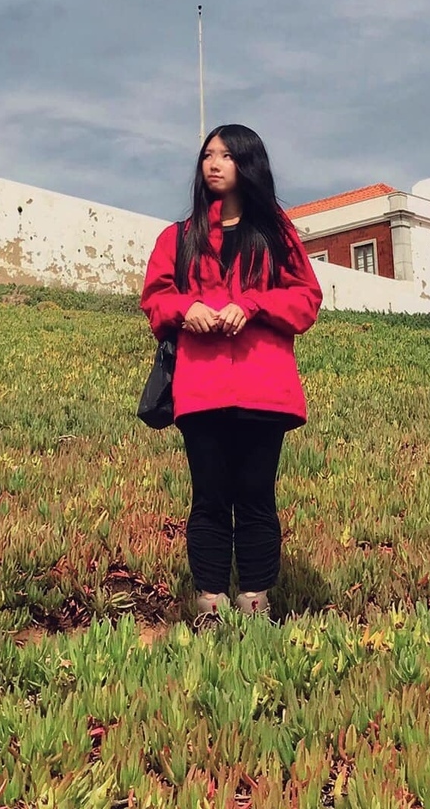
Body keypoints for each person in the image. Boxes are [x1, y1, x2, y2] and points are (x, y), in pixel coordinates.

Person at [140, 124, 322, 623]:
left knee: (257, 497)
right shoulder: (178, 237)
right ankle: (210, 605)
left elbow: (307, 300)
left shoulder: (277, 233)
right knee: (210, 498)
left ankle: (257, 602)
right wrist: (186, 308)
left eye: (226, 155)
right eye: (207, 156)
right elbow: (154, 300)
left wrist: (255, 303)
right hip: (200, 388)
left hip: (265, 389)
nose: (213, 163)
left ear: (249, 163)